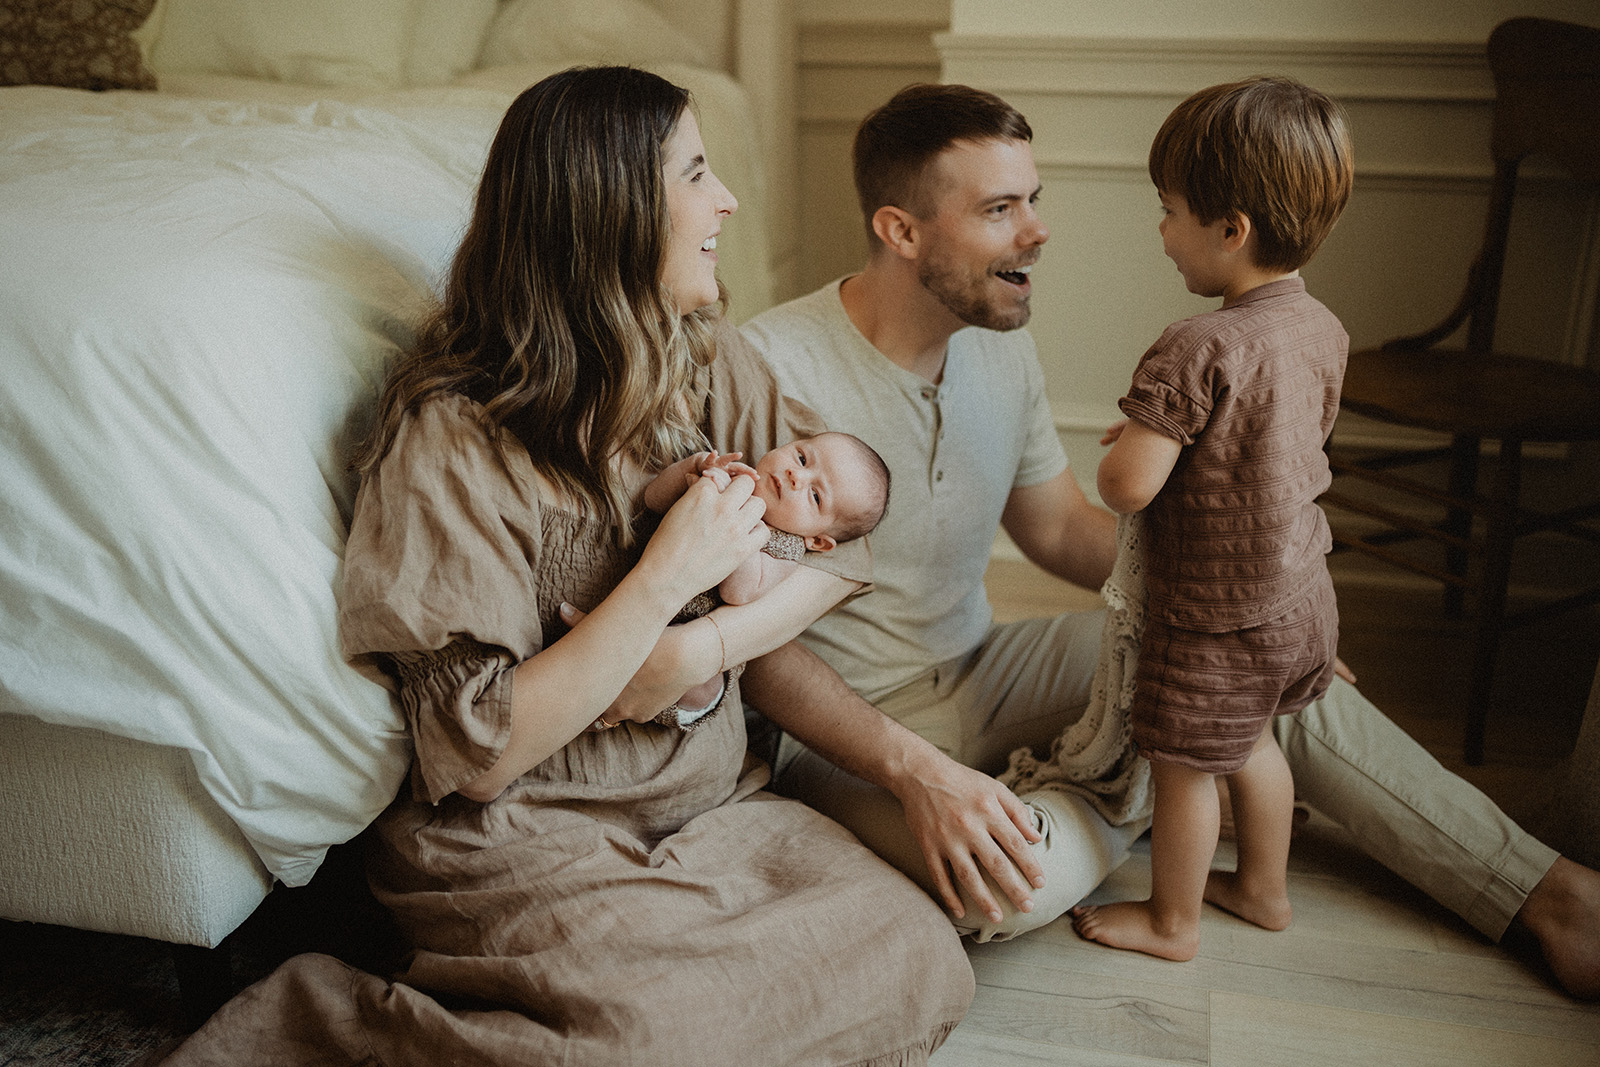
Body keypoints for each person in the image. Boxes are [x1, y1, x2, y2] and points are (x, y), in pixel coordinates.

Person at [161, 67, 973, 1066]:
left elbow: (838, 548)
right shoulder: (449, 442)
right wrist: (665, 578)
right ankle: (329, 1020)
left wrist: (706, 643)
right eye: (697, 175)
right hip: (528, 839)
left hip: (710, 810)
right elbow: (480, 753)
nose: (725, 202)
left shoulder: (708, 365)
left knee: (920, 956)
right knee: (639, 1039)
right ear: (612, 215)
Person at [734, 81, 1600, 999]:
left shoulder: (998, 339)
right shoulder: (767, 370)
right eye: (1000, 208)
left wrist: (1253, 621)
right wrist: (917, 773)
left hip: (989, 661)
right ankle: (1164, 787)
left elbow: (1060, 526)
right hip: (852, 725)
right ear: (902, 231)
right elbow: (755, 653)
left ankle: (1550, 895)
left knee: (1251, 663)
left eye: (1035, 198)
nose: (1037, 230)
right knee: (998, 890)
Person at [1071, 76, 1352, 962]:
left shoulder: (1198, 344)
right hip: (1300, 595)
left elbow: (1127, 488)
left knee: (1188, 764)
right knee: (1256, 742)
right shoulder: (1321, 329)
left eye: (1169, 211)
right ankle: (1264, 890)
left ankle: (1173, 920)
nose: (1161, 231)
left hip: (1215, 615)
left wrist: (1129, 446)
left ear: (1231, 230)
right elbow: (1266, 443)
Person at [643, 432, 890, 717]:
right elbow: (653, 499)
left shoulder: (784, 548)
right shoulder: (735, 474)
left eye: (815, 495)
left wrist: (734, 514)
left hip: (684, 636)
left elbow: (738, 592)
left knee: (703, 685)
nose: (796, 476)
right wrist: (696, 468)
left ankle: (622, 670)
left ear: (818, 541)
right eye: (801, 458)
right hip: (651, 586)